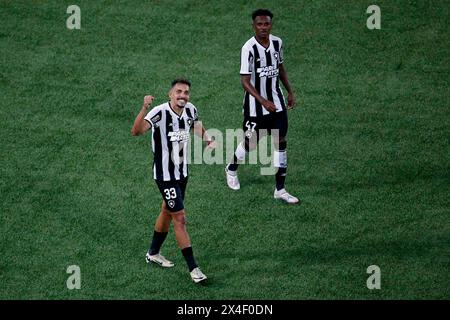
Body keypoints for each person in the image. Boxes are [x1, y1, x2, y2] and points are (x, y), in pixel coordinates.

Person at [131, 78, 214, 283]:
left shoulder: (191, 109)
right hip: (164, 176)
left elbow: (195, 124)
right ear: (170, 94)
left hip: (182, 173)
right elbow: (137, 131)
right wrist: (143, 107)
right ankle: (194, 269)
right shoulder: (159, 112)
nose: (182, 96)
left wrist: (207, 139)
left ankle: (153, 253)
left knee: (167, 211)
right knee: (180, 218)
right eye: (178, 92)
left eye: (186, 92)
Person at [225, 9, 299, 204]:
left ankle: (280, 189)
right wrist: (263, 101)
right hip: (254, 108)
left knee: (280, 142)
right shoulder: (248, 48)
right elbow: (245, 81)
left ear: (271, 25)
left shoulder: (277, 43)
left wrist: (290, 91)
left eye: (266, 24)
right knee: (251, 143)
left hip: (277, 104)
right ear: (254, 26)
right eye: (260, 24)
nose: (263, 27)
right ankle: (231, 169)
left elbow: (280, 68)